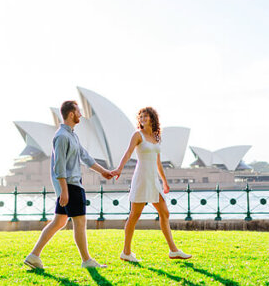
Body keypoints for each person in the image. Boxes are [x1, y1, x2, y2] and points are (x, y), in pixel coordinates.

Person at [24, 100, 115, 270]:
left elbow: (85, 156)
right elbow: (59, 166)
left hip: (71, 185)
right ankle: (87, 260)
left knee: (59, 222)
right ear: (71, 114)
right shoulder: (61, 136)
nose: (81, 114)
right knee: (80, 222)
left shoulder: (72, 134)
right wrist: (64, 191)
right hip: (70, 186)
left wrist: (103, 171)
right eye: (78, 111)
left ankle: (34, 256)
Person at [112, 107, 191, 262]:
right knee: (134, 215)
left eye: (145, 116)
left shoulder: (155, 137)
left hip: (153, 180)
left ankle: (173, 250)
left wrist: (165, 182)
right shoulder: (137, 135)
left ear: (152, 118)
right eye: (140, 116)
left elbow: (158, 163)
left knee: (165, 213)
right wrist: (119, 169)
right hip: (141, 178)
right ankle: (126, 252)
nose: (142, 118)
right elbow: (128, 153)